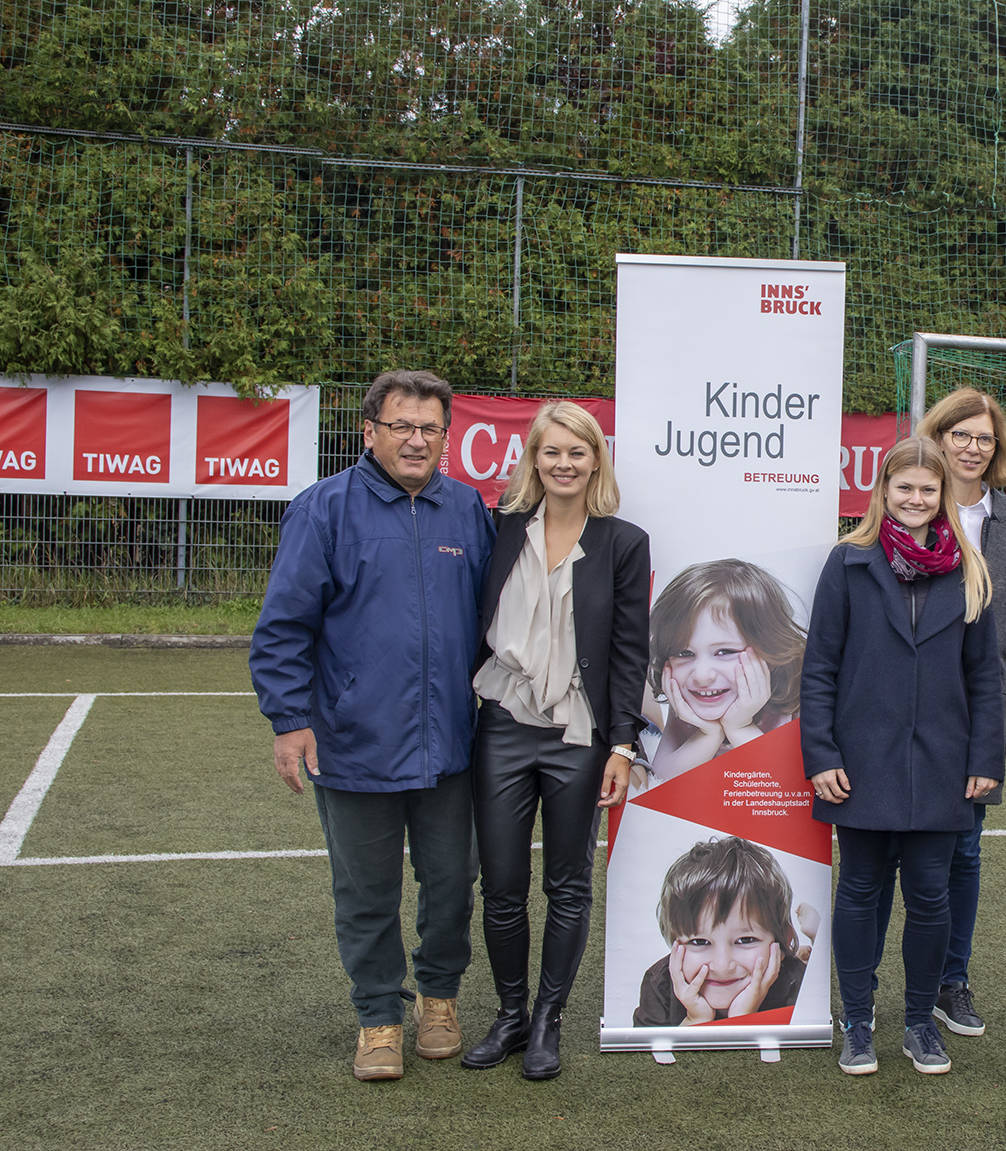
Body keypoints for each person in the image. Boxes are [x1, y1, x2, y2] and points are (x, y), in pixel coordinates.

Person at [250, 369, 495, 1082]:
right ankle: (378, 1016)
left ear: (445, 437)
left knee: (453, 883)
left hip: (451, 748)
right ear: (369, 432)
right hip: (353, 744)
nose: (416, 440)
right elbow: (283, 626)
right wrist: (290, 719)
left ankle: (439, 1000)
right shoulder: (324, 508)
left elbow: (496, 617)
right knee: (365, 893)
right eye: (401, 426)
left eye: (429, 428)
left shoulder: (466, 509)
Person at [800, 436, 1004, 1078]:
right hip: (861, 762)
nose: (915, 499)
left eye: (927, 489)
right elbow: (819, 667)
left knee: (930, 896)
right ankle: (857, 1021)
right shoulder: (849, 562)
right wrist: (821, 754)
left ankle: (920, 1022)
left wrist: (985, 758)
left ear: (944, 496)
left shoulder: (969, 571)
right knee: (859, 889)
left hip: (942, 764)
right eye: (904, 487)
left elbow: (985, 678)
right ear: (883, 491)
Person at [462, 400, 650, 1080]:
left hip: (580, 734)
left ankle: (548, 1019)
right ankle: (510, 1015)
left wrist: (622, 746)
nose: (564, 463)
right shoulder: (499, 528)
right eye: (552, 452)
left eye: (577, 452)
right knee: (502, 885)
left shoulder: (623, 542)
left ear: (596, 460)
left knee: (568, 885)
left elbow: (629, 651)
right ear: (534, 460)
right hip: (503, 726)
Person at [860, 387, 1006, 1039]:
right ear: (936, 437)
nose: (972, 447)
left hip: (973, 720)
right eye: (960, 434)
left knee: (962, 853)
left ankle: (948, 982)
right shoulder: (903, 511)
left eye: (984, 438)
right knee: (877, 858)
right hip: (894, 717)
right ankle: (860, 988)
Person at [644, 559, 805, 785]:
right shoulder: (687, 701)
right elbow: (659, 780)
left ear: (770, 651)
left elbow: (789, 786)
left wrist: (740, 727)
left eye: (724, 652)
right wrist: (708, 734)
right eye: (684, 653)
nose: (701, 676)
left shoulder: (793, 700)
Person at [633, 837, 819, 1026]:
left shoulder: (801, 987)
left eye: (745, 940)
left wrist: (743, 1019)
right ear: (675, 945)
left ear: (783, 941)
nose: (722, 966)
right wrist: (695, 1020)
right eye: (699, 942)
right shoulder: (659, 986)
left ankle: (815, 941)